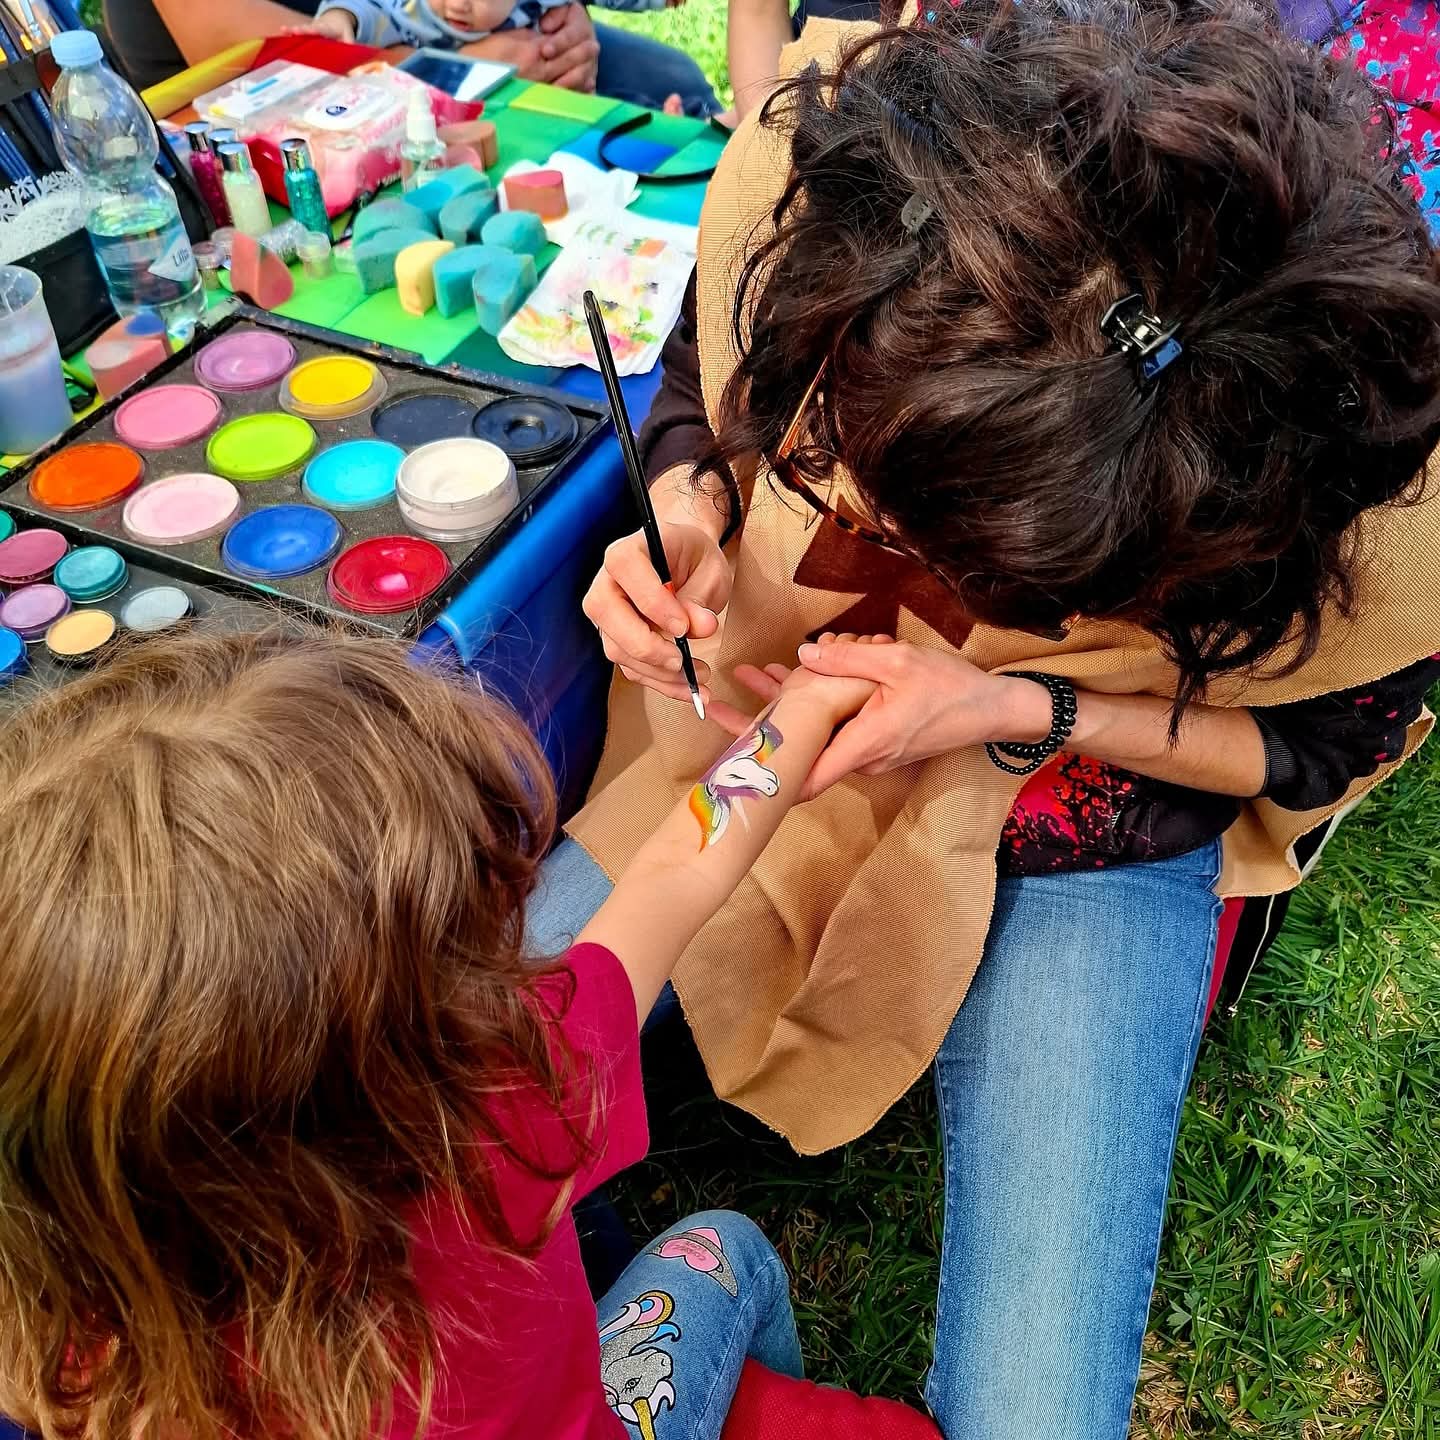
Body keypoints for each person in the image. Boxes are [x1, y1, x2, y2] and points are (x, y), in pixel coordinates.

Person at [532, 2, 1440, 1436]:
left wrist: (1019, 697)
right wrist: (694, 507)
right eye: (850, 471)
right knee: (404, 1094)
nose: (861, 528)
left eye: (969, 558)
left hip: (1088, 814)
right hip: (769, 710)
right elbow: (704, 378)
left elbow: (1312, 742)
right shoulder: (832, 195)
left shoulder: (1368, 492)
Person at [0, 624, 931, 1440]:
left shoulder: (73, 1335)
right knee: (722, 1250)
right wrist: (804, 709)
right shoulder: (506, 1103)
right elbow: (676, 872)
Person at [102, 0, 719, 117]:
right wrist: (474, 65)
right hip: (305, 119)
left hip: (457, 35)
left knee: (679, 86)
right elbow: (277, 68)